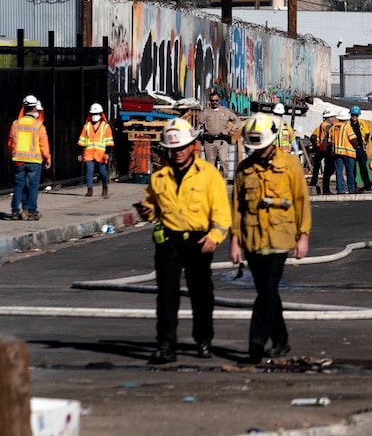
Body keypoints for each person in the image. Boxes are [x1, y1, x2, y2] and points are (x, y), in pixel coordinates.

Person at [135, 118, 231, 363]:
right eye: (173, 149)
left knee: (201, 294)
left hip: (199, 241)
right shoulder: (159, 178)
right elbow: (155, 208)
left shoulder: (209, 175)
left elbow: (221, 211)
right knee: (167, 295)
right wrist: (147, 211)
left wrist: (215, 236)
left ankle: (204, 341)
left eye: (181, 147)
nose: (177, 153)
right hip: (168, 241)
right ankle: (166, 345)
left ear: (192, 146)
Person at [230, 113, 311, 363]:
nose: (259, 151)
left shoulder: (290, 165)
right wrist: (235, 240)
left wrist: (303, 236)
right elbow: (237, 207)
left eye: (262, 146)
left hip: (280, 237)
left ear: (272, 141)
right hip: (253, 238)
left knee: (266, 291)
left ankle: (256, 342)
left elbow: (301, 201)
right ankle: (281, 341)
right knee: (268, 292)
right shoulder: (245, 169)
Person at [8, 95, 51, 220]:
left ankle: (15, 211)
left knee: (19, 186)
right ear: (34, 109)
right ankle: (32, 211)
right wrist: (47, 158)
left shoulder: (15, 124)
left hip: (19, 160)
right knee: (32, 186)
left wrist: (13, 154)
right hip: (34, 161)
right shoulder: (38, 125)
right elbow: (44, 144)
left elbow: (10, 142)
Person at [77, 103, 115, 199]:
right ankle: (89, 190)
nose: (94, 116)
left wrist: (107, 153)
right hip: (88, 153)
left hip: (100, 154)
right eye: (93, 114)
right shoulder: (87, 126)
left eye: (96, 114)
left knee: (102, 172)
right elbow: (81, 140)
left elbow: (109, 141)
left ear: (100, 114)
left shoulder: (105, 127)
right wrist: (79, 153)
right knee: (89, 171)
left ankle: (105, 187)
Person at [200, 91, 241, 180]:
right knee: (210, 164)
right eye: (212, 101)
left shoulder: (225, 111)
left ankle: (223, 180)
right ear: (210, 101)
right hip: (209, 141)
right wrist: (205, 110)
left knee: (223, 160)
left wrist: (233, 129)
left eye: (216, 100)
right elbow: (200, 120)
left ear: (219, 100)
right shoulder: (206, 112)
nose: (214, 102)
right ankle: (213, 182)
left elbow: (237, 120)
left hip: (222, 141)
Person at [309, 109, 337, 194]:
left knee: (318, 167)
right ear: (328, 118)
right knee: (328, 170)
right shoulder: (326, 125)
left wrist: (316, 146)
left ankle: (314, 182)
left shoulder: (320, 126)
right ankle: (325, 189)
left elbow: (313, 136)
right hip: (325, 150)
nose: (334, 119)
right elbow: (314, 137)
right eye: (333, 117)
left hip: (321, 149)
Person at [347, 105, 372, 190]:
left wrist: (365, 142)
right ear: (351, 115)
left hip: (360, 148)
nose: (355, 117)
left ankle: (367, 185)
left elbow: (366, 133)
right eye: (353, 115)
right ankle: (353, 185)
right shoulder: (347, 124)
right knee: (352, 169)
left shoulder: (362, 123)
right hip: (351, 148)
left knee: (363, 168)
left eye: (356, 115)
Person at [332, 109, 356, 193]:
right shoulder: (347, 127)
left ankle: (340, 189)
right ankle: (351, 188)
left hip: (337, 153)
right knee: (350, 171)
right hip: (348, 153)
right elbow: (353, 139)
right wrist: (357, 147)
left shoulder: (333, 127)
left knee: (339, 171)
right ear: (346, 119)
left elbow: (329, 141)